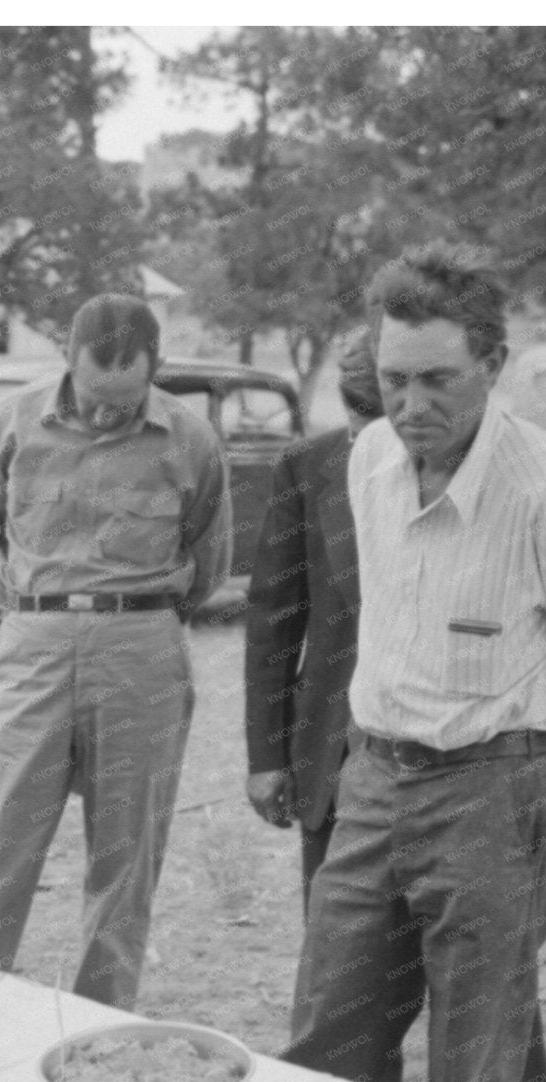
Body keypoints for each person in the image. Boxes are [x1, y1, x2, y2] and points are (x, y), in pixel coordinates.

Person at [282, 243, 546, 1082]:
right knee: (326, 1041)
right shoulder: (368, 459)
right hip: (372, 787)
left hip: (495, 796)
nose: (412, 405)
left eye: (439, 379)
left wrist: (527, 744)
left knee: (476, 1079)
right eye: (395, 378)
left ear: (494, 365)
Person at [0, 293, 230, 1009]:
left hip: (139, 649)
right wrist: (31, 610)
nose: (107, 412)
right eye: (92, 395)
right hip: (33, 645)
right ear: (67, 362)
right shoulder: (10, 423)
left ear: (158, 368)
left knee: (126, 854)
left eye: (125, 398)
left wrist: (132, 616)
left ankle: (99, 1019)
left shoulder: (191, 438)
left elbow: (208, 563)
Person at [242, 326, 379, 897]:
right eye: (357, 414)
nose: (367, 433)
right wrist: (267, 757)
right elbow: (274, 620)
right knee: (333, 947)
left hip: (440, 764)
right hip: (332, 750)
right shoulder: (307, 466)